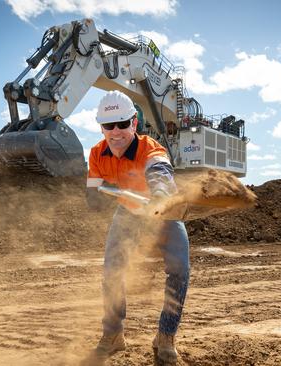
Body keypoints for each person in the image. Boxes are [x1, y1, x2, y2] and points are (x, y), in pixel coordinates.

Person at [86, 90, 189, 365]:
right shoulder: (97, 153)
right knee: (111, 271)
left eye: (122, 123)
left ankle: (165, 336)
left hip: (163, 212)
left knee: (179, 270)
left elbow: (160, 172)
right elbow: (93, 193)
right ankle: (113, 335)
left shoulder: (151, 148)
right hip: (128, 212)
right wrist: (97, 195)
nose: (116, 131)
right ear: (102, 128)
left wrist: (158, 194)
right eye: (109, 125)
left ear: (134, 123)